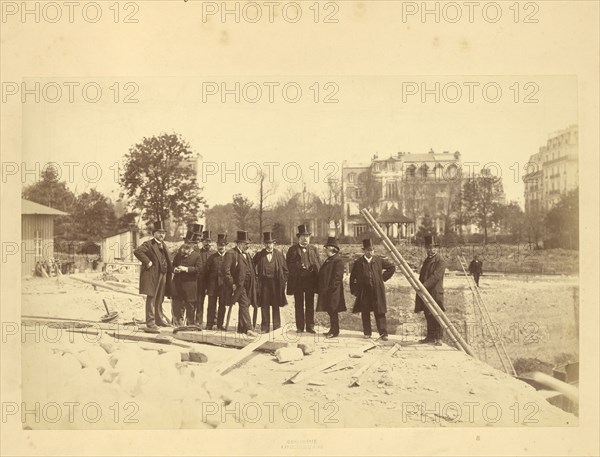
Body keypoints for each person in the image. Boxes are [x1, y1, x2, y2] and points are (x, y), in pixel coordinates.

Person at [350, 239, 395, 341]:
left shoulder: (378, 260)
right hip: (364, 292)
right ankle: (367, 333)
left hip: (377, 291)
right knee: (365, 312)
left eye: (372, 250)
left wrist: (382, 279)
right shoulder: (358, 262)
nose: (370, 252)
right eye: (368, 250)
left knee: (380, 312)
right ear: (364, 251)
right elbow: (352, 278)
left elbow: (392, 267)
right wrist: (355, 290)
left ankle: (383, 333)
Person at [133, 220, 173, 333]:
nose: (162, 235)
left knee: (160, 298)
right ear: (154, 233)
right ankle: (150, 323)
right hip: (153, 275)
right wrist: (147, 262)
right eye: (159, 232)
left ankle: (159, 320)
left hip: (163, 274)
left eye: (163, 233)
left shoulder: (164, 245)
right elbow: (137, 251)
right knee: (151, 298)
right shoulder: (149, 244)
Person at [286, 224, 321, 333]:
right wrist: (298, 267)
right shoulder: (292, 250)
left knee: (310, 304)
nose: (305, 239)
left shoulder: (314, 249)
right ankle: (300, 327)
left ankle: (310, 326)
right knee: (299, 304)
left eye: (307, 237)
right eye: (302, 237)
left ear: (309, 238)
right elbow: (288, 266)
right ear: (298, 238)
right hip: (298, 281)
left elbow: (318, 264)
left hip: (310, 281)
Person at [223, 231, 258, 337]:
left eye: (248, 243)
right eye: (245, 243)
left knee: (246, 304)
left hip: (248, 285)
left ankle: (241, 328)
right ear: (239, 243)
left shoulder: (247, 254)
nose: (247, 246)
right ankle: (249, 328)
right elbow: (226, 271)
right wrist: (232, 283)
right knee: (244, 303)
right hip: (238, 285)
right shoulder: (231, 254)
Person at [414, 235, 446, 346]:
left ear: (437, 249)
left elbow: (435, 276)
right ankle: (430, 337)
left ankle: (439, 338)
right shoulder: (427, 260)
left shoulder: (440, 261)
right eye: (428, 247)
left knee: (437, 314)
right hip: (426, 291)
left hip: (435, 292)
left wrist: (423, 286)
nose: (431, 250)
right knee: (428, 314)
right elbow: (422, 275)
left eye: (433, 248)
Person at [253, 232, 288, 333]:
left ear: (274, 243)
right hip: (263, 284)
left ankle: (277, 327)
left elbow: (286, 270)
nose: (269, 245)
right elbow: (251, 267)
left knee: (275, 305)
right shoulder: (259, 255)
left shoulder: (279, 254)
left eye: (270, 243)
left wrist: (283, 281)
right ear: (264, 244)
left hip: (275, 284)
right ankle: (265, 327)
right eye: (267, 243)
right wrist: (256, 280)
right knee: (264, 305)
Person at [316, 237, 346, 338]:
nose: (325, 250)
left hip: (333, 292)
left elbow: (338, 277)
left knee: (333, 310)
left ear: (333, 249)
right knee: (330, 311)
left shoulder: (338, 261)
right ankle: (332, 329)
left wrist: (331, 289)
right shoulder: (329, 260)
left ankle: (335, 331)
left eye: (327, 248)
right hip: (328, 291)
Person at [171, 231, 202, 327]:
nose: (188, 245)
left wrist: (186, 269)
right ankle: (178, 324)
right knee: (178, 304)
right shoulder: (178, 255)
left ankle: (190, 324)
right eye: (186, 243)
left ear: (193, 244)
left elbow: (199, 269)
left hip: (190, 284)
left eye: (190, 243)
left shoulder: (197, 255)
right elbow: (172, 265)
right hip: (178, 284)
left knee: (190, 305)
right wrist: (174, 269)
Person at [206, 234, 229, 330]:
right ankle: (209, 324)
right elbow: (206, 272)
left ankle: (220, 324)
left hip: (224, 286)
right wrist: (207, 286)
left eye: (223, 245)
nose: (221, 247)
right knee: (211, 305)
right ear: (217, 245)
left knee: (222, 305)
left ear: (225, 246)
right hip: (213, 285)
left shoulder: (229, 257)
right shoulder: (212, 257)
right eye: (219, 245)